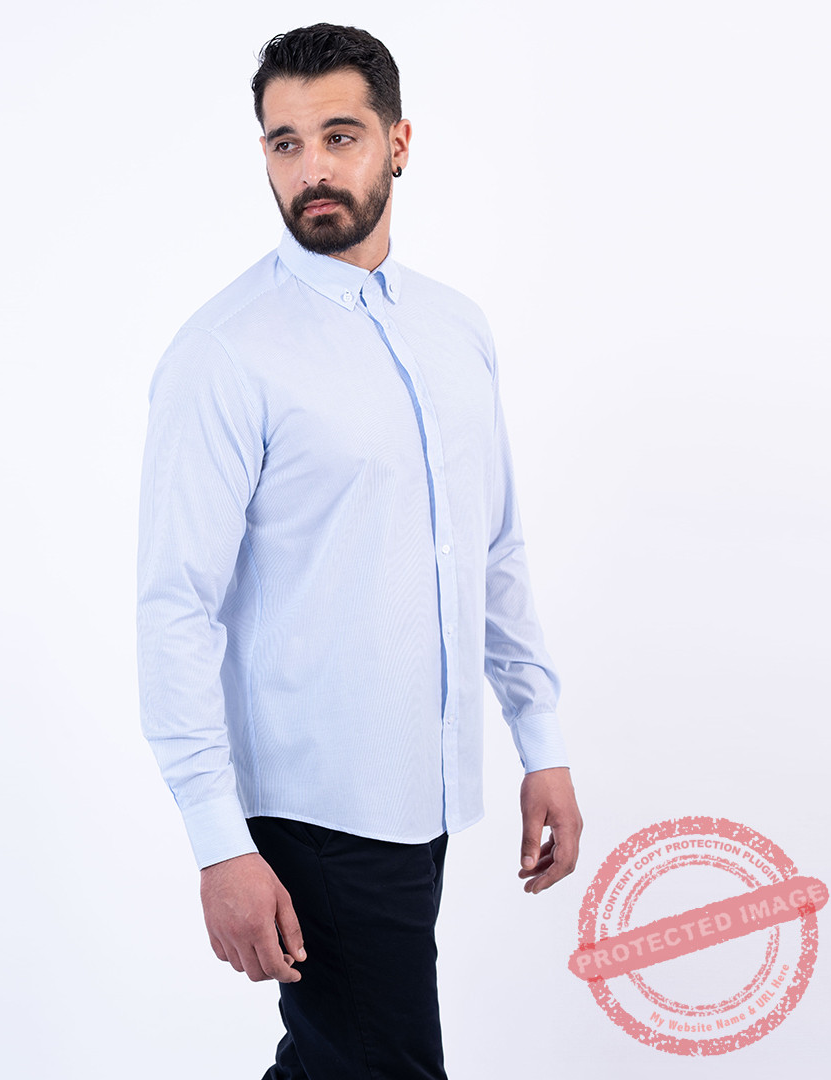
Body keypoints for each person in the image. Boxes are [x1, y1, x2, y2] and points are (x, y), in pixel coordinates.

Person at [137, 23, 583, 1080]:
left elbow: (493, 545)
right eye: (285, 143)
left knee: (340, 1067)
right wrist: (219, 842)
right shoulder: (226, 353)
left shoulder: (455, 328)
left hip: (424, 791)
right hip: (314, 806)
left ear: (399, 143)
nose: (312, 169)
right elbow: (174, 606)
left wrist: (542, 739)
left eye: (339, 136)